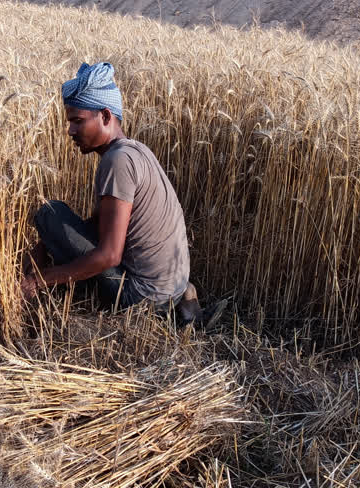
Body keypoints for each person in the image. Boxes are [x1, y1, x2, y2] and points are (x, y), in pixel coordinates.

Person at [21, 62, 221, 325]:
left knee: (50, 212)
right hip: (171, 283)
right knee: (56, 224)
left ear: (105, 116)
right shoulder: (135, 150)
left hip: (141, 297)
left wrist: (39, 280)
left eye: (77, 121)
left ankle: (162, 312)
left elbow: (109, 256)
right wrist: (48, 242)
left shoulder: (117, 162)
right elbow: (99, 224)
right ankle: (181, 300)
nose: (70, 130)